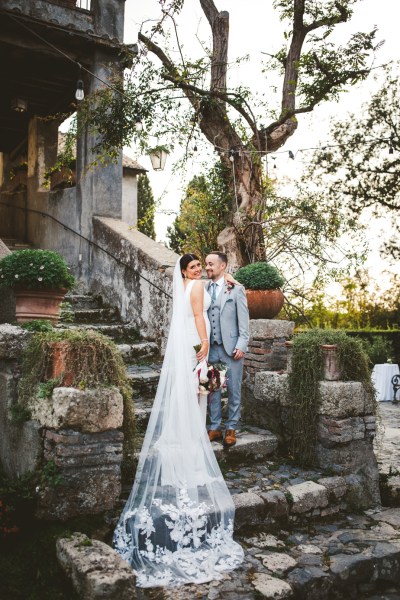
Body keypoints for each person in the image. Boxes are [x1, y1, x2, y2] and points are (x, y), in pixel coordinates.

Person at [113, 254, 244, 588]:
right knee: (197, 395)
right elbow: (200, 316)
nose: (199, 270)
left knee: (189, 394)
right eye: (194, 267)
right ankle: (192, 440)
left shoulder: (183, 285)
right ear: (185, 271)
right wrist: (203, 343)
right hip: (194, 344)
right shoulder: (197, 286)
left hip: (181, 343)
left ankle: (185, 435)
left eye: (201, 266)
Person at [205, 252, 250, 447]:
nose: (207, 268)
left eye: (211, 264)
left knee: (233, 389)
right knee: (212, 389)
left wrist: (242, 344)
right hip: (212, 349)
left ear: (222, 266)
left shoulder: (236, 289)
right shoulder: (205, 288)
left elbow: (244, 321)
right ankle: (214, 427)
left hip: (231, 349)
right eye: (206, 264)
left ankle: (231, 427)